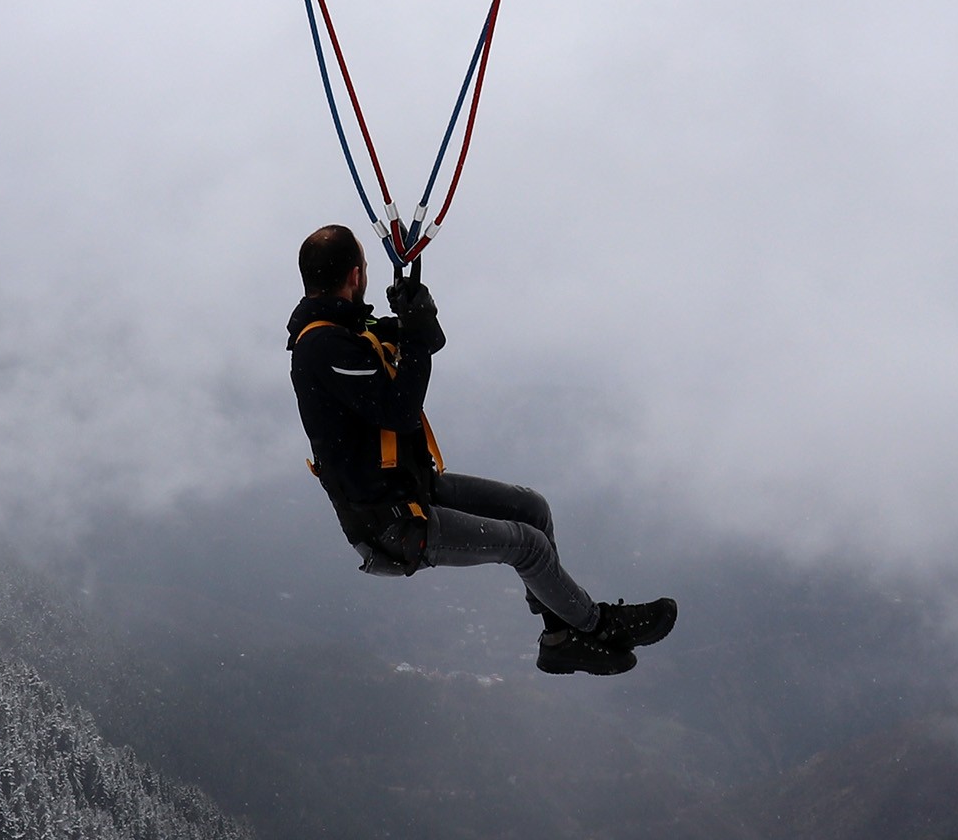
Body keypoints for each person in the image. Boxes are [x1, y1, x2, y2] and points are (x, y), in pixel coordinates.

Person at [286, 223, 677, 676]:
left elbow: (427, 344)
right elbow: (399, 411)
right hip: (389, 524)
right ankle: (596, 625)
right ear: (355, 276)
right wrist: (414, 335)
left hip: (412, 489)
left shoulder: (348, 327)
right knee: (527, 546)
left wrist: (417, 313)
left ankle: (560, 637)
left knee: (532, 508)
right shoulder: (321, 346)